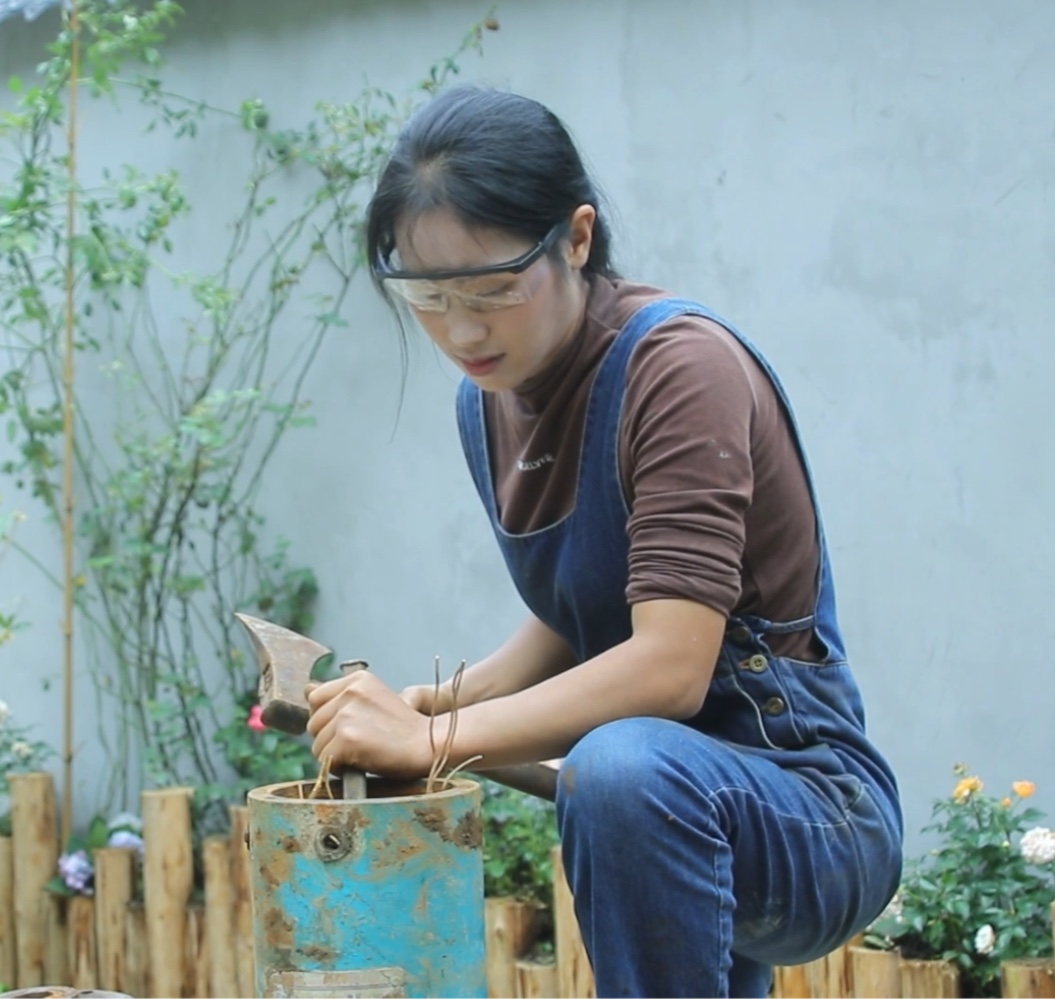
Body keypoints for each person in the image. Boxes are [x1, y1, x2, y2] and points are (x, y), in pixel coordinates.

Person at [303, 84, 903, 998]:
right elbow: (581, 607)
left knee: (619, 769)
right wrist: (436, 705)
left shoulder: (679, 368)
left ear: (576, 238)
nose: (460, 329)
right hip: (669, 789)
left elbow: (666, 668)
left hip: (809, 804)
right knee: (624, 773)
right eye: (424, 295)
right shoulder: (488, 400)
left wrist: (434, 740)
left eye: (492, 289)